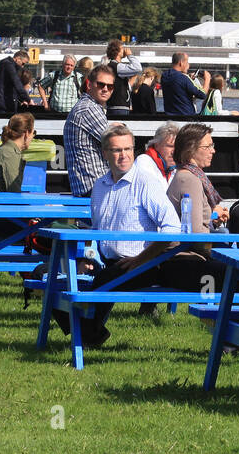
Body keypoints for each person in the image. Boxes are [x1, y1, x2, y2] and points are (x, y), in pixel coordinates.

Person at [53, 124, 182, 348]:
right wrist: (88, 258)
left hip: (144, 264)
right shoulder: (100, 186)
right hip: (106, 261)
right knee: (53, 280)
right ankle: (90, 333)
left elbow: (172, 229)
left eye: (128, 149)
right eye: (117, 150)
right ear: (105, 154)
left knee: (101, 282)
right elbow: (97, 231)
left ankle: (87, 336)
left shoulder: (146, 183)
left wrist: (141, 259)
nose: (124, 155)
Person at [164, 123, 230, 291]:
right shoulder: (190, 179)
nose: (213, 151)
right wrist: (222, 251)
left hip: (185, 258)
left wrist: (213, 219)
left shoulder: (186, 174)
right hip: (184, 262)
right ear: (190, 150)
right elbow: (194, 234)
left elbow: (192, 221)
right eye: (208, 146)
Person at [64, 64, 115, 197]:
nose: (105, 89)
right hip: (93, 186)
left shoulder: (89, 106)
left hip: (90, 185)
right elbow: (115, 143)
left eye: (110, 86)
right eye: (101, 84)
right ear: (89, 84)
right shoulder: (88, 108)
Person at [160, 52, 208, 116]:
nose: (188, 65)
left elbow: (179, 88)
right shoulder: (184, 78)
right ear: (181, 63)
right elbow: (202, 94)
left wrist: (190, 80)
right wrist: (207, 78)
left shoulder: (164, 76)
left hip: (170, 116)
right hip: (185, 117)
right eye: (187, 62)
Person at [104, 40, 134, 116]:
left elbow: (121, 86)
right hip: (119, 107)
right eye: (122, 48)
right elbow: (137, 67)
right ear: (117, 51)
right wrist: (130, 55)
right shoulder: (117, 66)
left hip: (115, 105)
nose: (124, 50)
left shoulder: (112, 66)